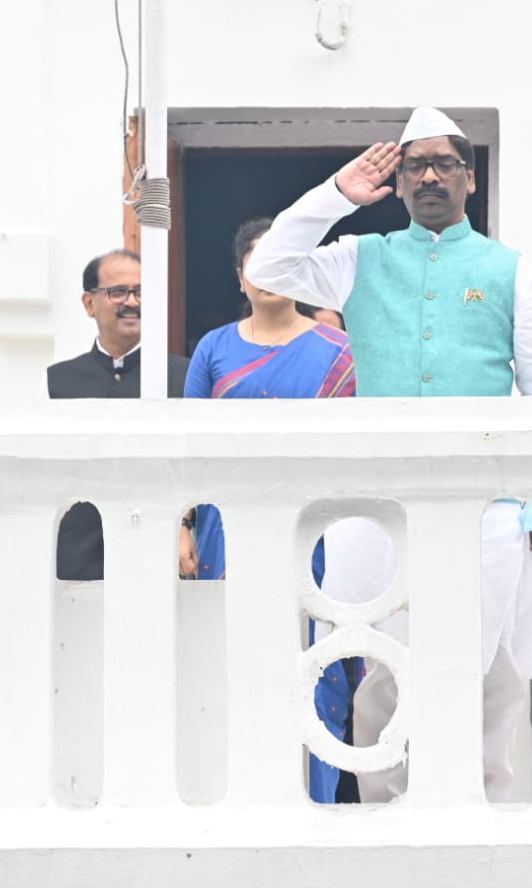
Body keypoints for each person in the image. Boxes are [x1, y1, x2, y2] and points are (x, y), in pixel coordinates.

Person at [246, 106, 532, 802]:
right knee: (384, 665)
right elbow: (268, 264)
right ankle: (384, 825)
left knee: (489, 673)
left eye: (442, 163)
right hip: (378, 504)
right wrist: (336, 195)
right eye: (413, 164)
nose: (427, 175)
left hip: (485, 506)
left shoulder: (511, 271)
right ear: (396, 183)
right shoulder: (362, 258)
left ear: (468, 179)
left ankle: (486, 824)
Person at [185, 216, 359, 800]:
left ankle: (315, 798)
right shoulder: (214, 348)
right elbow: (188, 447)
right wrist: (181, 525)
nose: (266, 275)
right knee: (229, 658)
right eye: (254, 264)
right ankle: (231, 793)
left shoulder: (338, 350)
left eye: (279, 261)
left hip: (314, 530)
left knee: (312, 661)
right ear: (240, 278)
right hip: (224, 529)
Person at [46, 249, 190, 580]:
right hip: (79, 551)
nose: (132, 302)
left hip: (159, 546)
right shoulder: (58, 380)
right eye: (118, 292)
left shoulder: (184, 375)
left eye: (141, 292)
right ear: (88, 303)